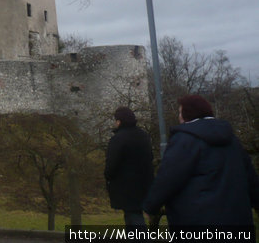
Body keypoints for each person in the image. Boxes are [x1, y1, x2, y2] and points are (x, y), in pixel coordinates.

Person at [143, 95, 259, 228]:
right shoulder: (232, 140)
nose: (178, 117)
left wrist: (151, 205)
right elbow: (250, 176)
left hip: (198, 220)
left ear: (188, 114)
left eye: (180, 112)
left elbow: (169, 177)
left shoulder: (184, 140)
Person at [104, 106, 154, 229]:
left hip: (126, 186)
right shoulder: (143, 136)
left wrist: (108, 176)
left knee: (134, 217)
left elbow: (112, 164)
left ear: (119, 121)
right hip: (144, 183)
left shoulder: (118, 138)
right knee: (133, 217)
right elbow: (150, 157)